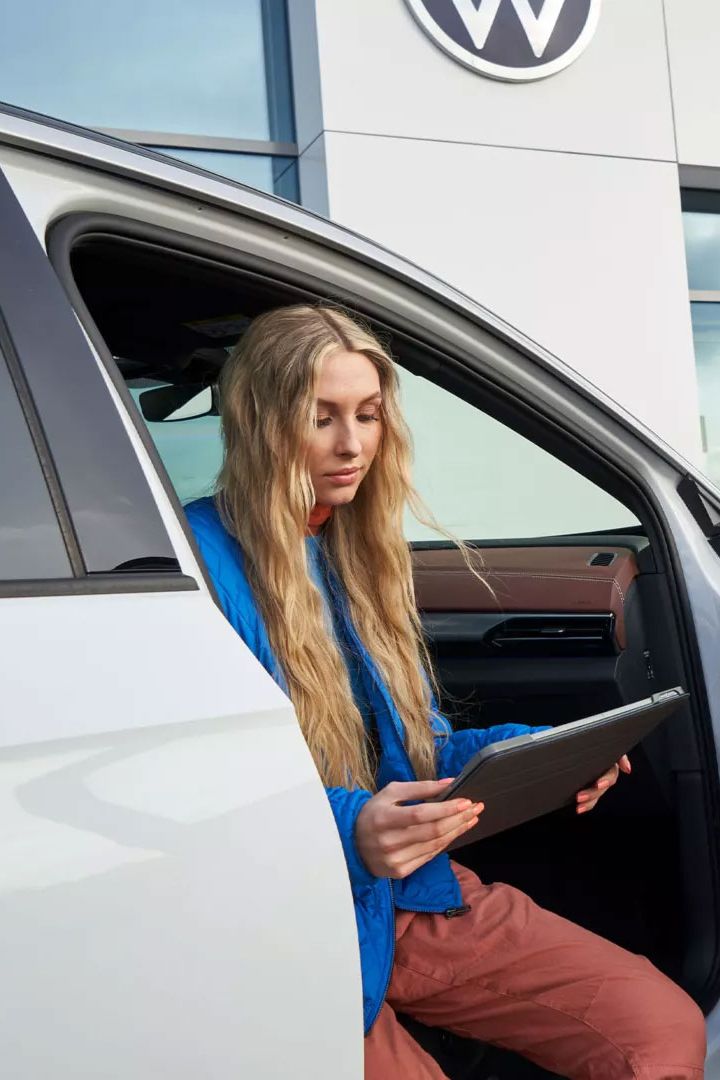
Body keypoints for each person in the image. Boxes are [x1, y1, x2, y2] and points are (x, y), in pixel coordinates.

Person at [185, 304, 705, 1079]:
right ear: (260, 420)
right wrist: (350, 829)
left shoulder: (351, 557)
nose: (353, 444)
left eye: (368, 415)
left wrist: (534, 754)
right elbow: (190, 785)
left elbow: (416, 751)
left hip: (410, 896)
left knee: (659, 1032)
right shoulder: (194, 563)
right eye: (320, 417)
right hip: (285, 921)